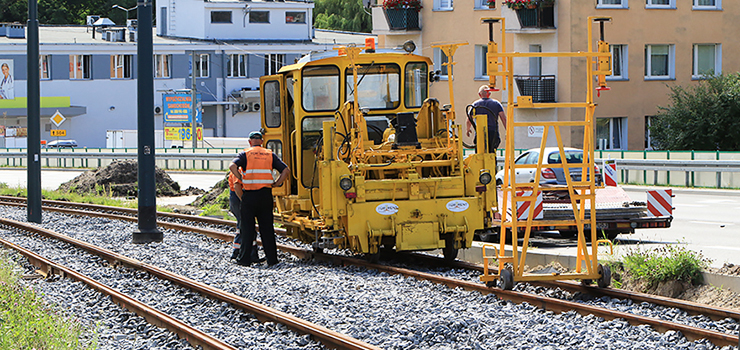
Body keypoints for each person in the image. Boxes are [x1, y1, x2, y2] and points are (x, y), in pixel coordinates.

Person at [229, 131, 290, 267]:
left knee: (247, 229)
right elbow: (286, 170)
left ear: (250, 142)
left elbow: (232, 166)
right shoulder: (269, 154)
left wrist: (240, 178)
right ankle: (272, 259)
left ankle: (244, 259)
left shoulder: (245, 154)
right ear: (261, 141)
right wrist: (277, 183)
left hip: (249, 196)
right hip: (265, 195)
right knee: (267, 229)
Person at [227, 169, 263, 263]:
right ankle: (237, 253)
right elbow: (237, 186)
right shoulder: (240, 168)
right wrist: (245, 202)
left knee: (247, 225)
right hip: (238, 196)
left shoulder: (247, 167)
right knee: (244, 225)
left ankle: (251, 253)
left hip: (241, 195)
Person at [467, 85, 507, 153]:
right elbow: (503, 118)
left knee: (479, 153)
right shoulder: (496, 104)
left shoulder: (475, 104)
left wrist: (468, 129)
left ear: (479, 94)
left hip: (480, 134)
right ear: (489, 94)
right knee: (492, 153)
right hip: (493, 133)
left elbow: (469, 119)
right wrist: (507, 130)